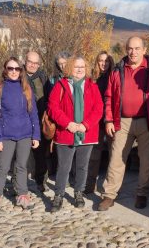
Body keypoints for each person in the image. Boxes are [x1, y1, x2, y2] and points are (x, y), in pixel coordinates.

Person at [98, 36, 149, 211]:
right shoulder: (117, 70)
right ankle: (109, 195)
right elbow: (108, 97)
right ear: (126, 49)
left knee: (146, 160)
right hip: (122, 121)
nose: (133, 52)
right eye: (130, 48)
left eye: (137, 48)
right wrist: (108, 119)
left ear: (144, 50)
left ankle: (142, 193)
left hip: (147, 122)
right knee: (116, 158)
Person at [47, 56, 103, 212]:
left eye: (82, 67)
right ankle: (59, 194)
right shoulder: (61, 85)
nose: (79, 69)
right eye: (76, 67)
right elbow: (53, 107)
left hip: (87, 133)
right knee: (63, 167)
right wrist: (68, 124)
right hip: (66, 133)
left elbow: (98, 109)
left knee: (82, 166)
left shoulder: (92, 85)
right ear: (70, 68)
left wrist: (86, 125)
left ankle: (79, 192)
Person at [0, 57, 40, 212]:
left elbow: (33, 113)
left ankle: (22, 194)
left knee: (22, 166)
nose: (14, 72)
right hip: (6, 135)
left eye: (17, 69)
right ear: (5, 70)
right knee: (2, 167)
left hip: (25, 134)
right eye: (11, 69)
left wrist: (36, 135)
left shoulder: (26, 87)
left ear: (21, 70)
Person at [84, 51, 115, 194]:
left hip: (111, 120)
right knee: (94, 154)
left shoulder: (114, 77)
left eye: (107, 61)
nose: (104, 63)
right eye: (101, 60)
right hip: (96, 120)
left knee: (113, 154)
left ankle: (112, 186)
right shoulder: (92, 79)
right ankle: (90, 184)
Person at [24, 51, 50, 193]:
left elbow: (47, 97)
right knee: (21, 155)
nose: (33, 65)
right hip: (22, 121)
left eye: (36, 63)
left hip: (39, 120)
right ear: (25, 61)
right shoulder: (18, 75)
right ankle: (20, 185)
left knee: (40, 154)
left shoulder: (42, 76)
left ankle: (41, 181)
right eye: (30, 62)